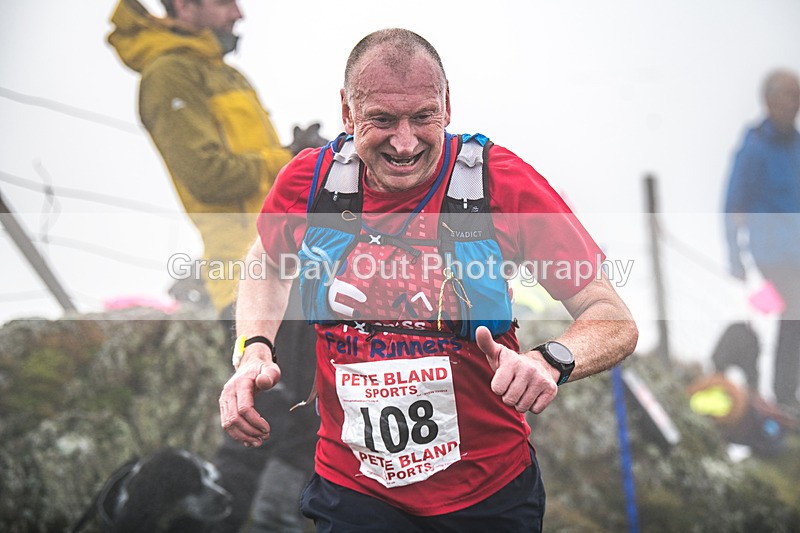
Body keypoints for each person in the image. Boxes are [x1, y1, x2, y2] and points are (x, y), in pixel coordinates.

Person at [219, 28, 638, 532]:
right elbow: (265, 260)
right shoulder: (310, 183)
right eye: (382, 120)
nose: (404, 141)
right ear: (348, 113)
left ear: (447, 104)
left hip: (489, 493)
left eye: (422, 117)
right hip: (354, 491)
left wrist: (550, 362)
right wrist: (255, 349)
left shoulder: (500, 183)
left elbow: (612, 317)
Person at [107, 1, 320, 531]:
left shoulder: (224, 73)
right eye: (225, 2)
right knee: (288, 410)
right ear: (184, 6)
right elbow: (206, 175)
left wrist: (291, 157)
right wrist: (291, 160)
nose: (238, 13)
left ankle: (234, 518)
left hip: (293, 259)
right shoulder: (168, 74)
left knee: (294, 411)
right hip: (248, 269)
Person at [724, 69, 800, 411]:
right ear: (769, 100)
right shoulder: (753, 147)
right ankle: (784, 397)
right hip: (771, 252)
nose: (793, 103)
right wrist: (735, 258)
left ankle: (784, 395)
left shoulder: (796, 146)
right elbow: (732, 204)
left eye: (796, 95)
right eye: (787, 94)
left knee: (791, 316)